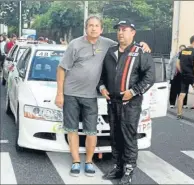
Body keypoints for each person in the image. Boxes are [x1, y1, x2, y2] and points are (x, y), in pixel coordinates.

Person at [55, 15, 151, 177]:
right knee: (72, 130)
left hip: (91, 95)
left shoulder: (108, 44)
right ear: (86, 28)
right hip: (70, 93)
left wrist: (142, 44)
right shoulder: (75, 44)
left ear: (101, 29)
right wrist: (60, 94)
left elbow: (126, 45)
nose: (93, 28)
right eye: (90, 25)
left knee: (91, 131)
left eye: (96, 26)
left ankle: (89, 161)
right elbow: (61, 68)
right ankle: (76, 161)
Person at [98, 20, 155, 184]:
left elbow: (150, 76)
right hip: (112, 102)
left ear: (133, 32)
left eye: (124, 30)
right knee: (115, 136)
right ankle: (118, 167)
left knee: (128, 137)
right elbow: (102, 76)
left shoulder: (140, 52)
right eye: (118, 30)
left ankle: (129, 170)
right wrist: (102, 88)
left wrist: (133, 91)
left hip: (130, 104)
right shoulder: (110, 52)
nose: (120, 33)